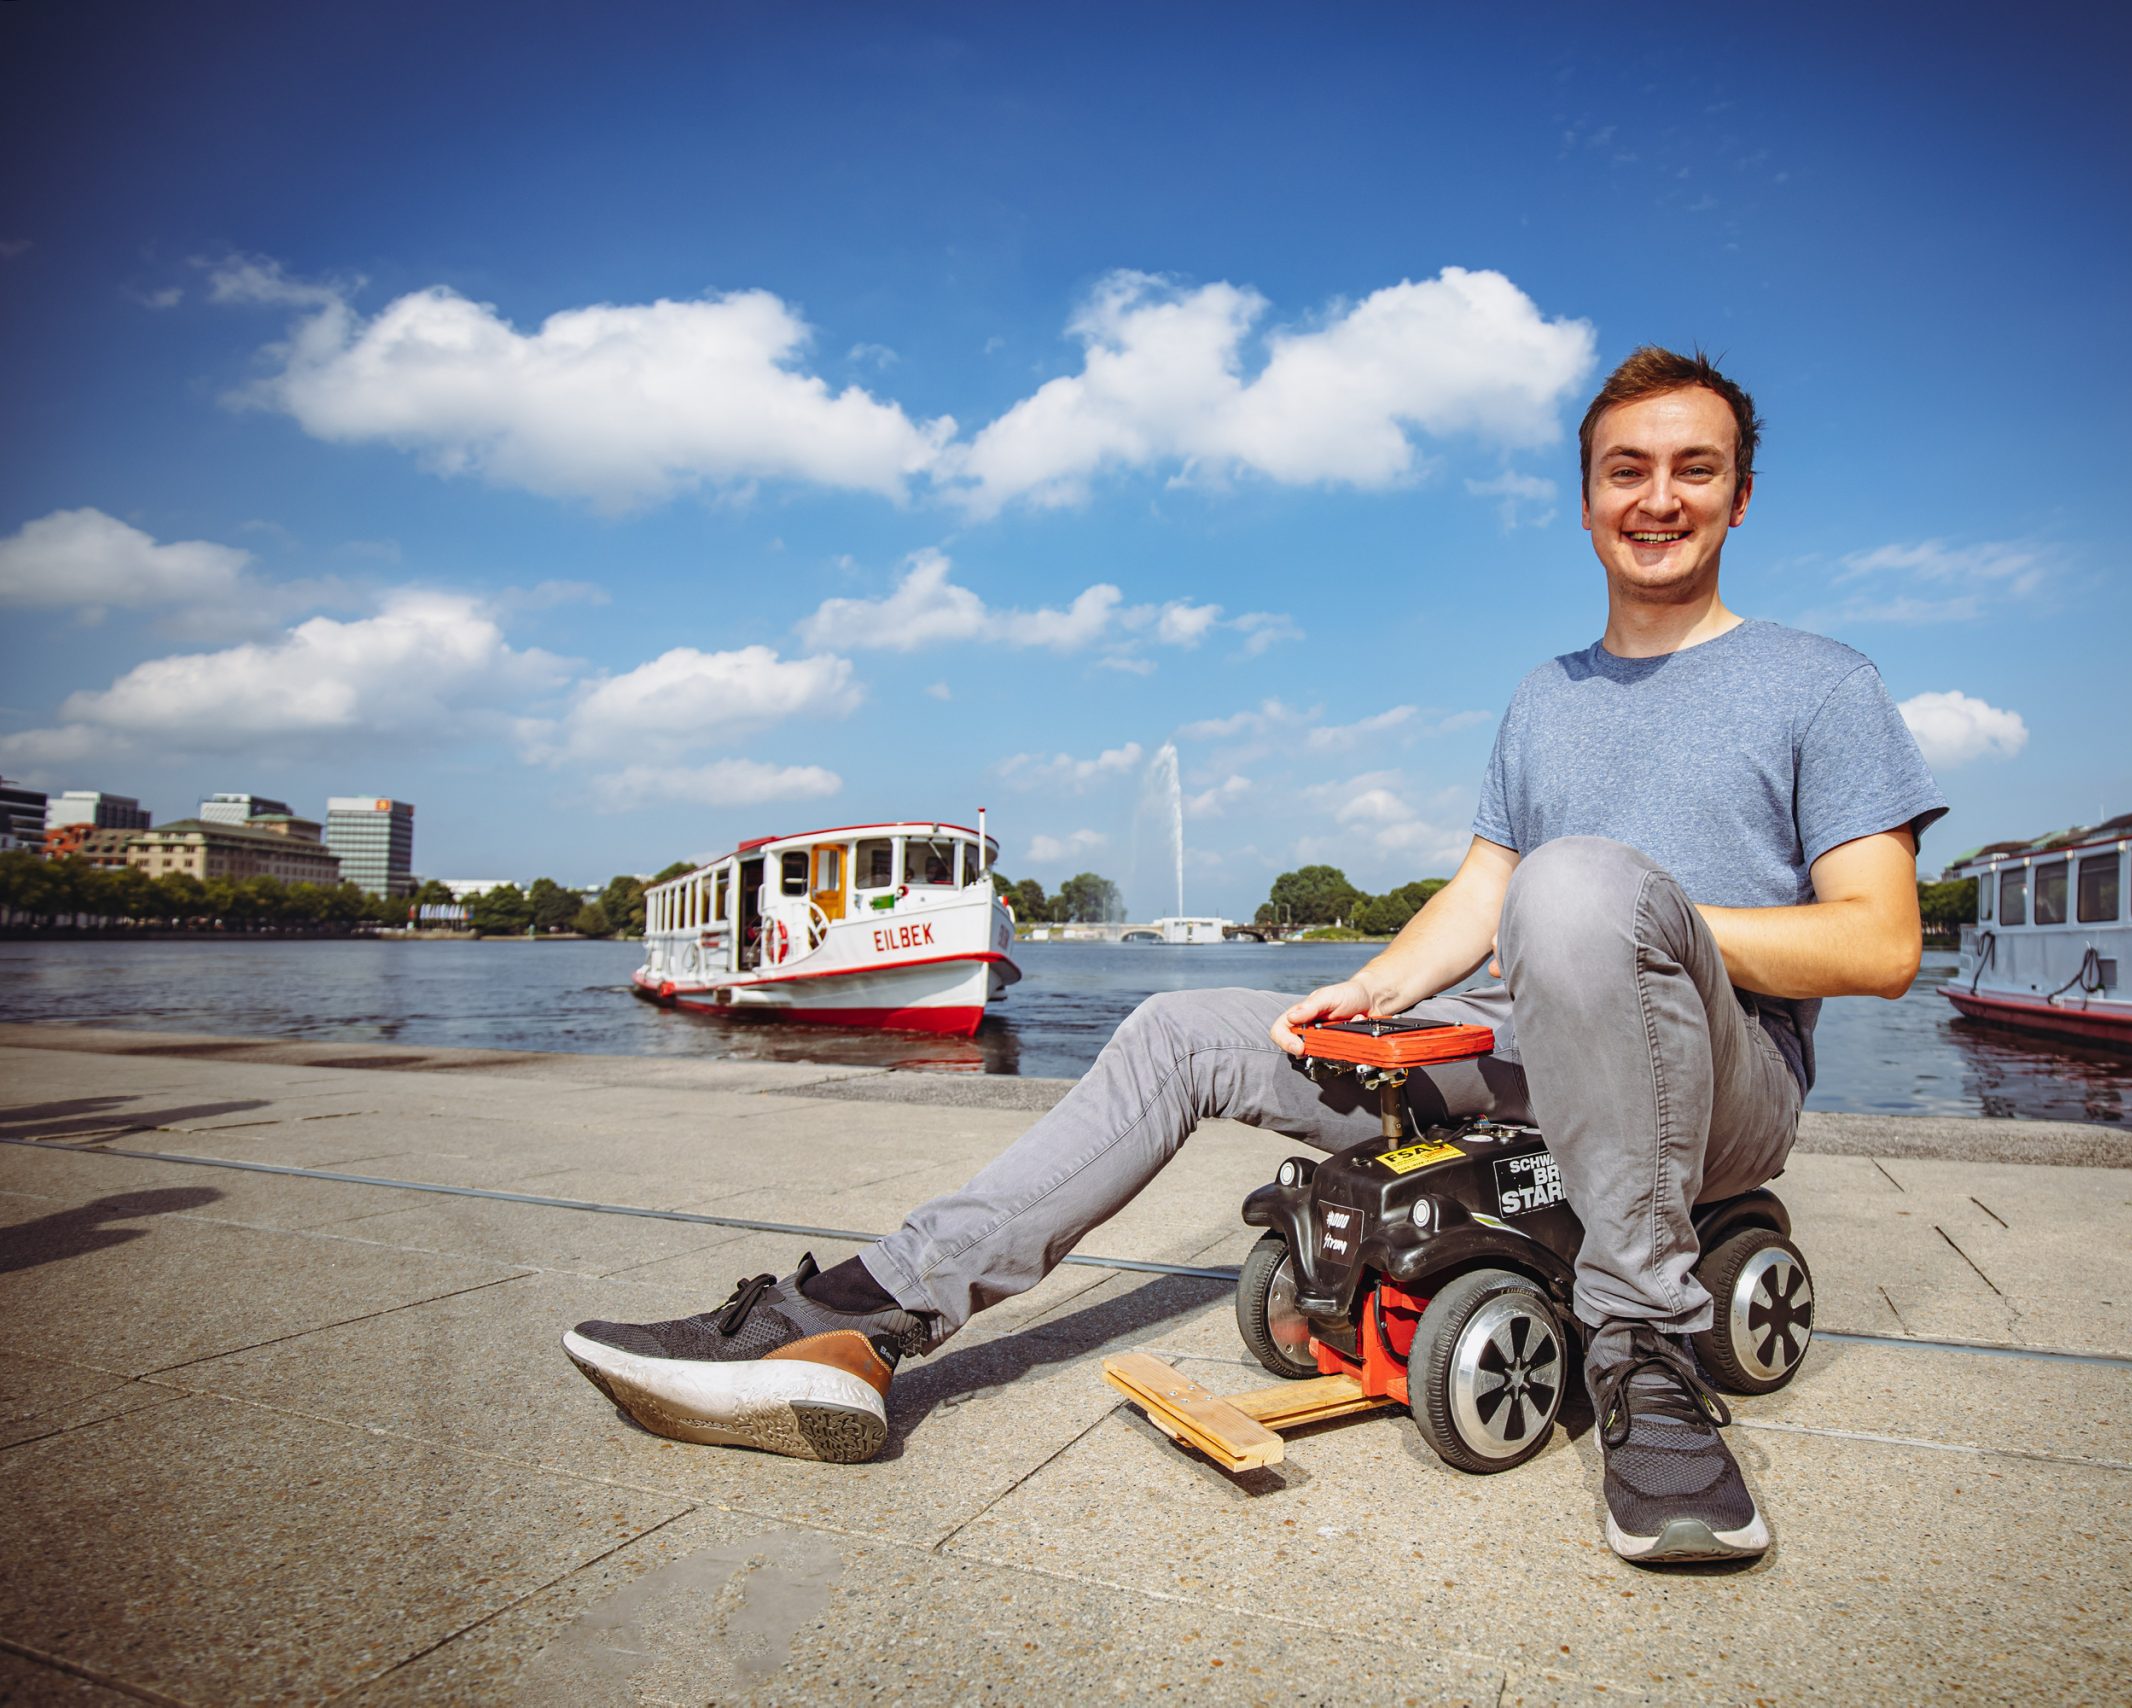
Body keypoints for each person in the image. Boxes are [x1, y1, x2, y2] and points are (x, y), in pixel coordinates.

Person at [563, 346, 1945, 1564]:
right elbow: (1484, 892)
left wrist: (1621, 920)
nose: (1659, 497)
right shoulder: (1546, 698)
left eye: (1694, 470)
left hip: (1718, 1090)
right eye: (1626, 471)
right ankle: (865, 1317)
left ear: (1741, 495)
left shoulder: (1818, 682)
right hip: (1525, 1054)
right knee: (1183, 1027)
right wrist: (1381, 986)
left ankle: (1647, 1356)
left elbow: (1881, 946)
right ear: (1584, 499)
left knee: (1584, 888)